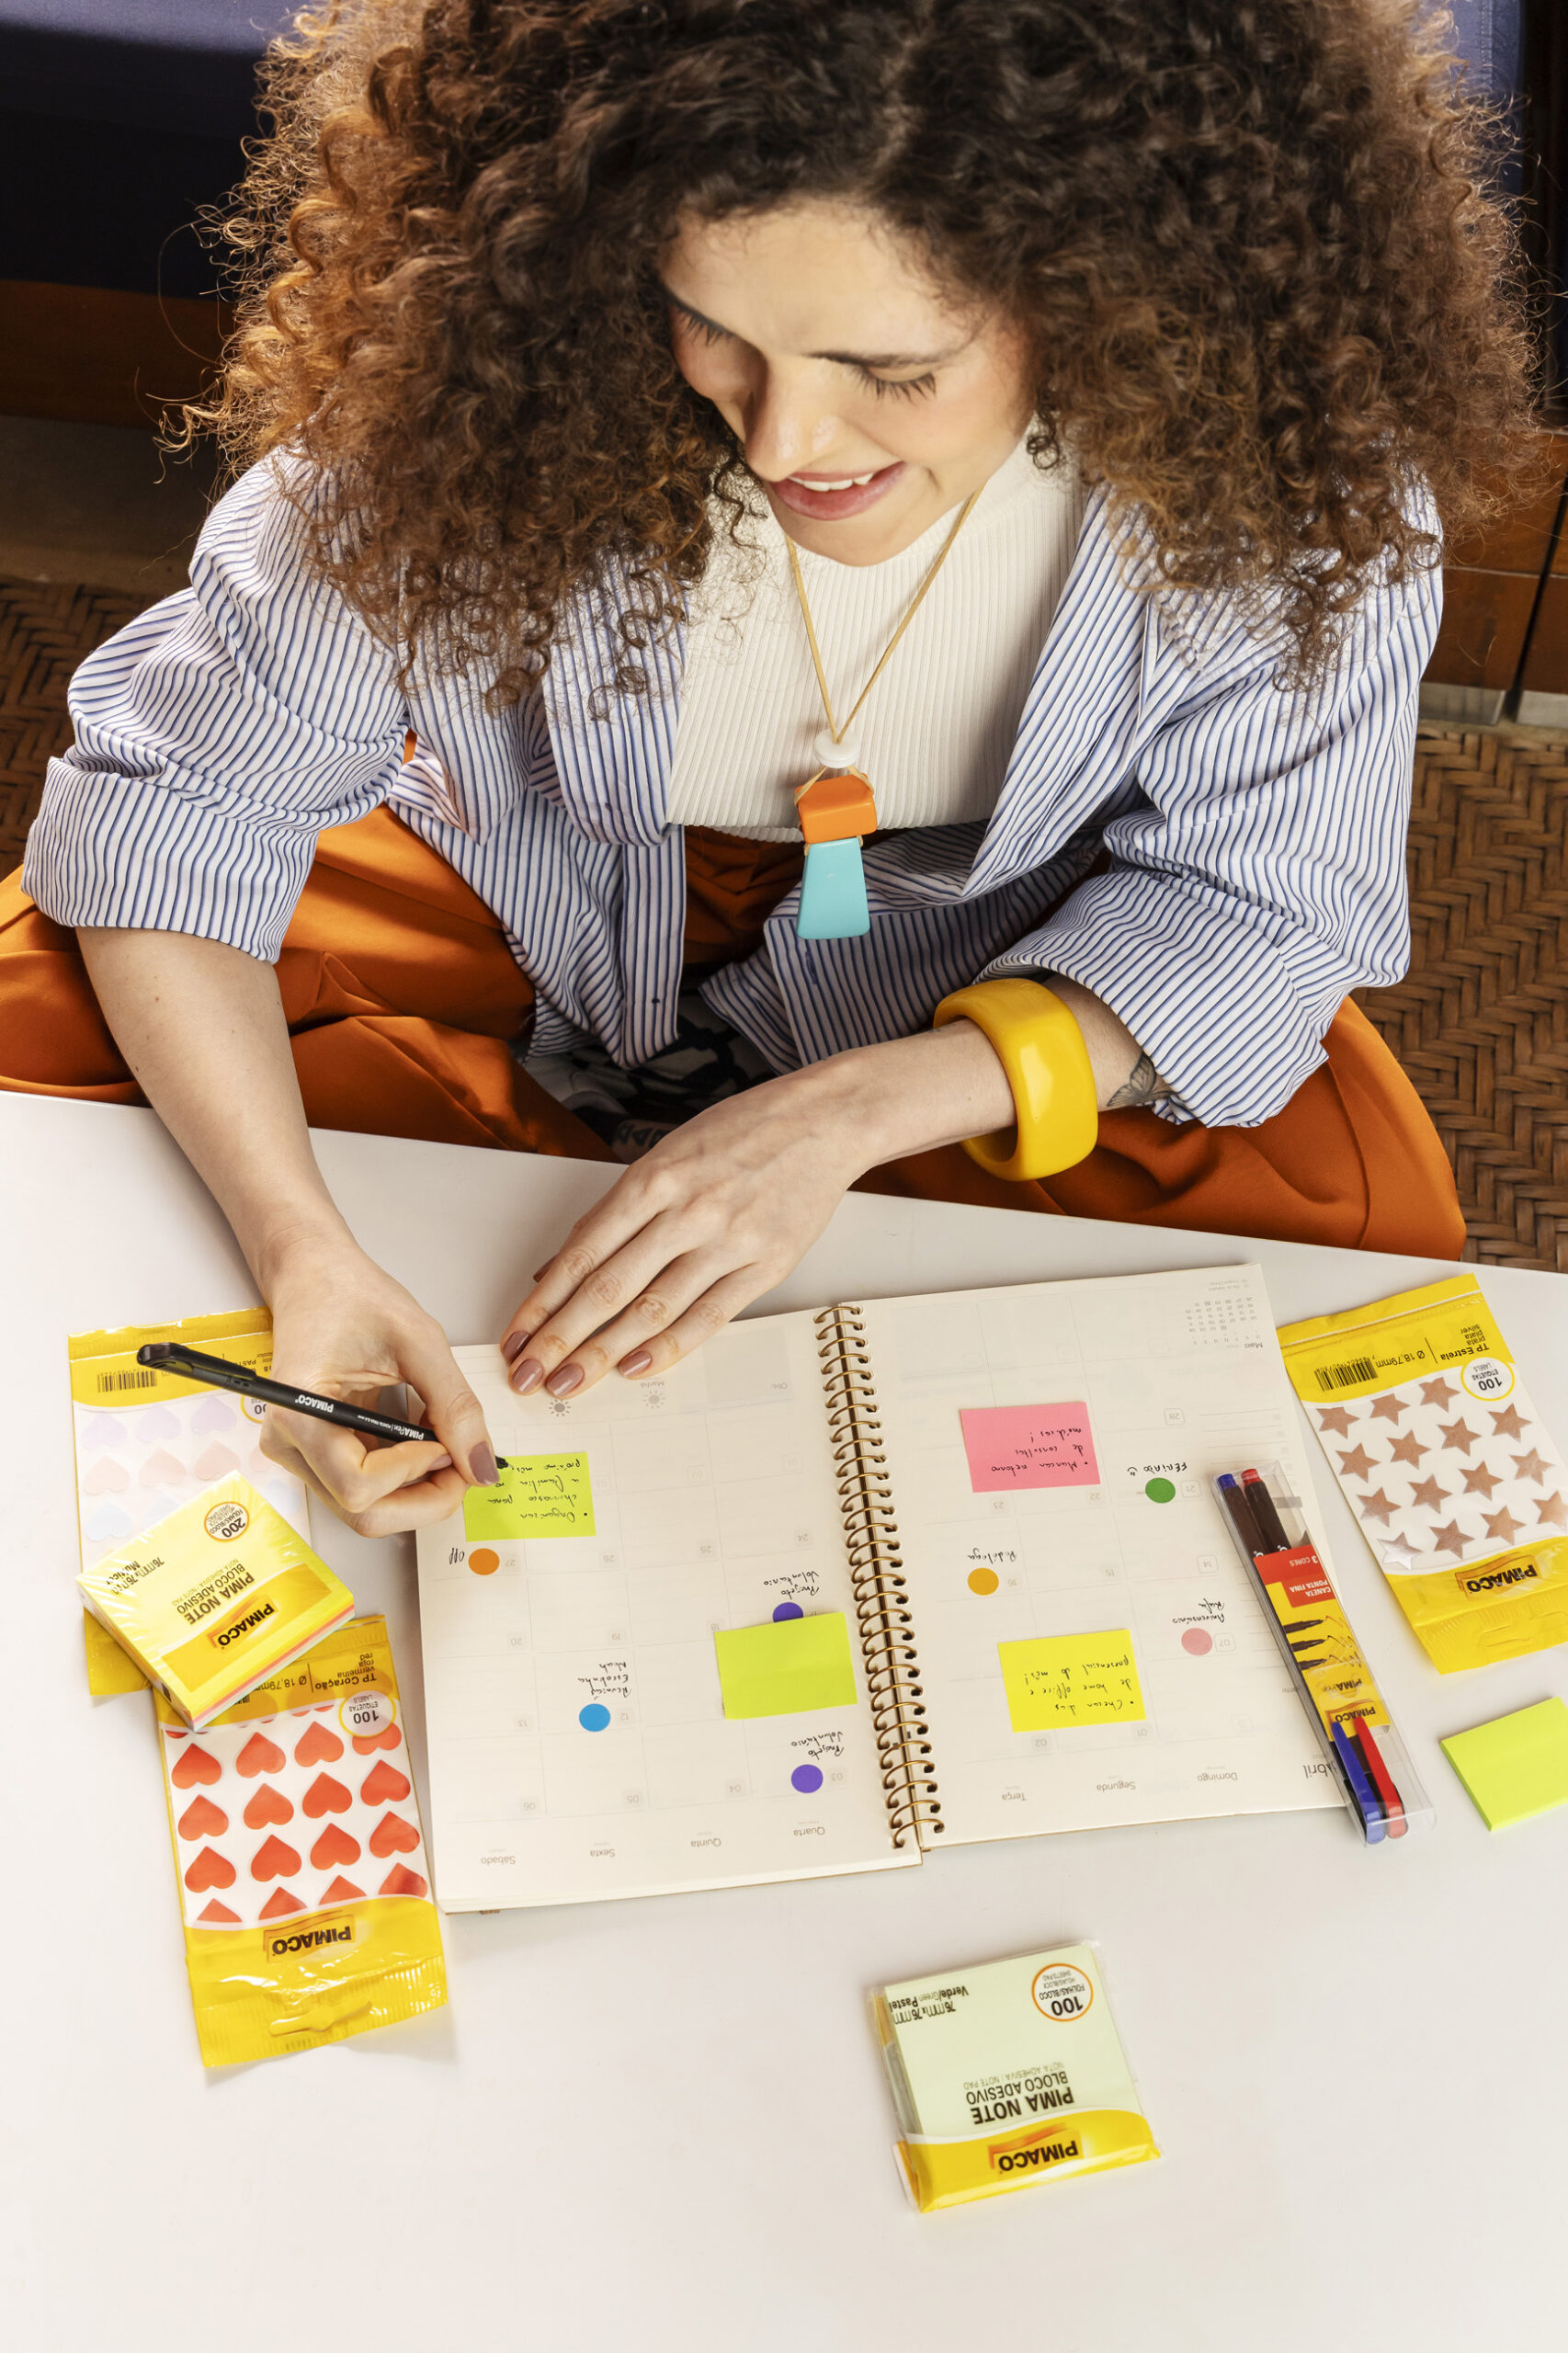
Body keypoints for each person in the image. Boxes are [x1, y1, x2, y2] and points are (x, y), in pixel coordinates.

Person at [0, 0, 1536, 1536]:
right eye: (715, 328)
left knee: (1349, 1219)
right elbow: (182, 807)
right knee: (46, 1000)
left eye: (890, 367)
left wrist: (842, 1118)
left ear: (1108, 289)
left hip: (1007, 933)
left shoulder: (1295, 488)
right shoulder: (473, 399)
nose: (784, 440)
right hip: (525, 863)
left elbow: (1260, 909)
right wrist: (300, 1249)